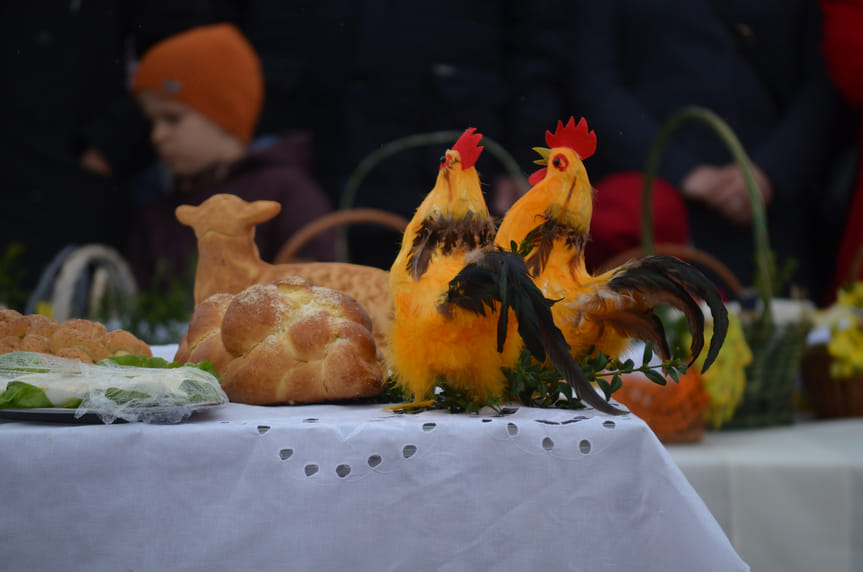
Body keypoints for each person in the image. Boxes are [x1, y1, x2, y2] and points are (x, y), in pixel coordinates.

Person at [569, 0, 851, 301]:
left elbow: (827, 76)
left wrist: (769, 172)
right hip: (651, 206)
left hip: (770, 212)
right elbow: (593, 80)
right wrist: (682, 171)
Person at [126, 23, 336, 289]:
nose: (157, 135)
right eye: (152, 122)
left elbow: (318, 286)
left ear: (224, 118)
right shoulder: (161, 211)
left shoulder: (285, 194)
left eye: (172, 118)